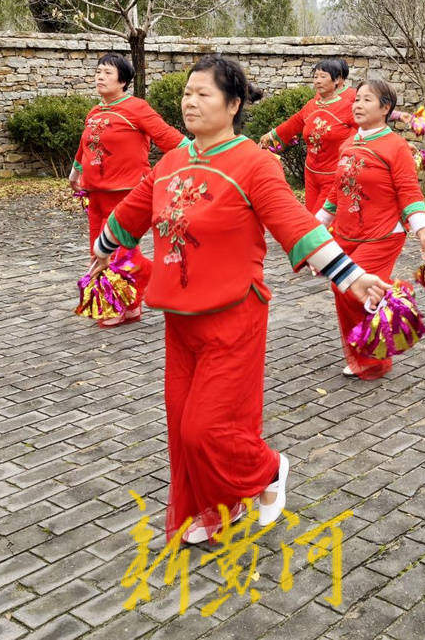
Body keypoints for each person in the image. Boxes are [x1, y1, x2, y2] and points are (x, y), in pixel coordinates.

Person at [90, 55, 389, 544]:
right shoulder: (170, 162)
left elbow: (296, 224)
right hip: (180, 319)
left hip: (234, 316)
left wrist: (350, 276)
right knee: (182, 427)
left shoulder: (253, 163)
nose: (190, 101)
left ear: (232, 105)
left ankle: (269, 471)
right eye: (187, 92)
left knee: (206, 429)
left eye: (203, 94)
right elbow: (132, 214)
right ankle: (212, 513)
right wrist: (103, 250)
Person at [317, 79, 425, 380]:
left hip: (383, 235)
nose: (357, 105)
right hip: (346, 234)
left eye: (366, 100)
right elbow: (337, 192)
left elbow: (409, 191)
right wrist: (316, 227)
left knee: (346, 287)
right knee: (346, 294)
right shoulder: (349, 144)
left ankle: (394, 306)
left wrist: (423, 231)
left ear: (385, 108)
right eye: (356, 99)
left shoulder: (396, 147)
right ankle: (366, 356)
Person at [69, 53, 188, 327]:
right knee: (98, 251)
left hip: (127, 194)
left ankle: (134, 291)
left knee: (122, 253)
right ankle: (131, 305)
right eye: (98, 71)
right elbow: (84, 146)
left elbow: (168, 137)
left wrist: (197, 156)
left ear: (123, 80)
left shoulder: (137, 108)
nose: (100, 76)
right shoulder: (94, 112)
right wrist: (75, 173)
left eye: (107, 73)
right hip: (95, 193)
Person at [258, 59, 357, 212]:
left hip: (333, 175)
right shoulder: (311, 105)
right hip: (311, 173)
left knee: (320, 220)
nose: (317, 81)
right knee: (310, 214)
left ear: (337, 80)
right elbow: (293, 124)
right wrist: (270, 135)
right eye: (315, 76)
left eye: (323, 76)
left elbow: (367, 132)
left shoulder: (347, 108)